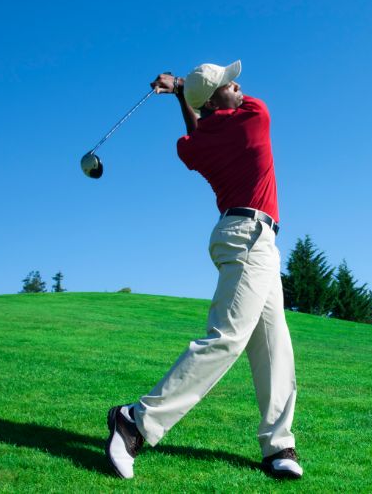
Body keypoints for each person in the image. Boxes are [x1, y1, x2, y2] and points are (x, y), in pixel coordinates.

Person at [105, 60, 302, 480]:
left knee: (274, 346)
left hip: (251, 239)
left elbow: (196, 135)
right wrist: (180, 88)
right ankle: (135, 420)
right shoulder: (255, 115)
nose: (239, 85)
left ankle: (278, 444)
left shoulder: (193, 146)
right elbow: (213, 116)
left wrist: (182, 93)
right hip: (248, 236)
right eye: (229, 84)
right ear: (215, 100)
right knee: (227, 338)